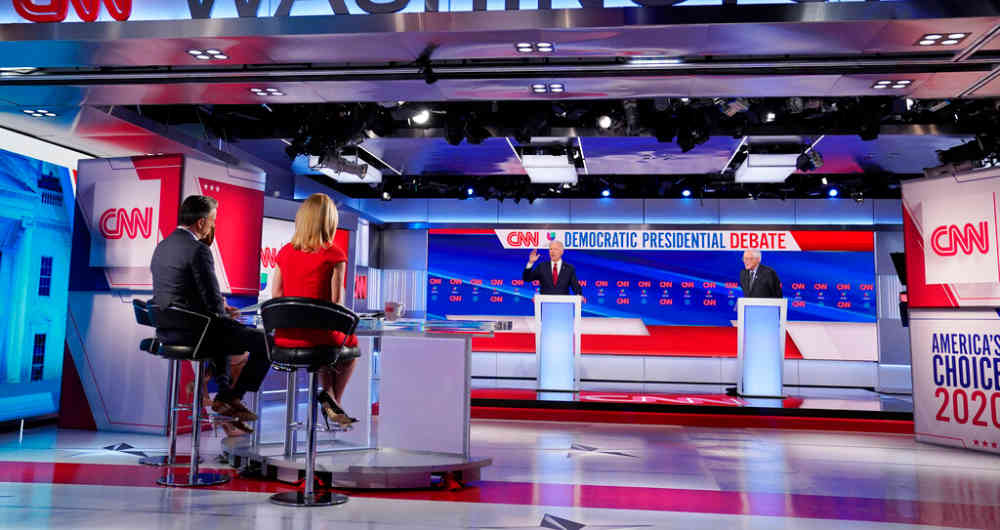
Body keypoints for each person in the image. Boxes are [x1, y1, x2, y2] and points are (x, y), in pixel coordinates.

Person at [150, 195, 270, 435]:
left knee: (222, 331)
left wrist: (220, 312)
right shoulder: (199, 250)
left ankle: (224, 395)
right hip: (196, 332)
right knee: (265, 343)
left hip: (168, 330)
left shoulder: (162, 247)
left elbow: (180, 292)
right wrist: (225, 314)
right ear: (202, 222)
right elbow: (213, 303)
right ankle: (231, 397)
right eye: (213, 220)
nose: (213, 225)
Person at [270, 193, 358, 428]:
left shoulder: (285, 252)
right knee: (350, 349)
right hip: (320, 336)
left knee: (325, 348)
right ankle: (332, 400)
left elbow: (276, 295)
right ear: (329, 221)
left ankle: (329, 397)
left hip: (285, 337)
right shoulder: (334, 254)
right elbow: (337, 304)